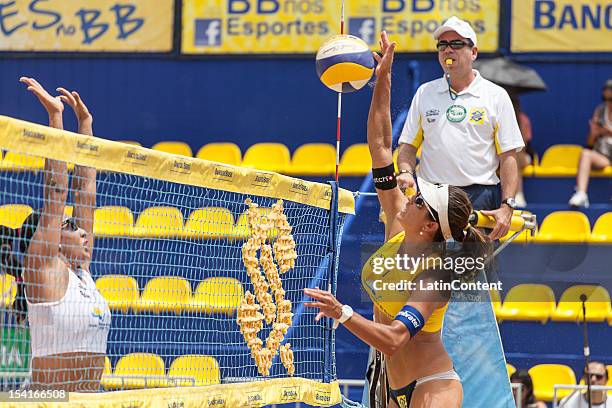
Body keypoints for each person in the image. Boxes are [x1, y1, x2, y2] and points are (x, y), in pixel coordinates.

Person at [304, 31, 491, 408]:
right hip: (389, 385)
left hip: (432, 387)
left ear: (430, 226)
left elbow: (392, 339)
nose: (409, 197)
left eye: (420, 201)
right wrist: (383, 77)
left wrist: (341, 312)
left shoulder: (435, 275)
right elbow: (380, 147)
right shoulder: (398, 223)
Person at [18, 77, 110, 391]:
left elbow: (86, 193)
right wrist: (55, 118)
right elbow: (57, 192)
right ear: (52, 237)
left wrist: (86, 124)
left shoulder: (82, 272)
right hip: (44, 402)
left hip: (88, 401)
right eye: (71, 226)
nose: (84, 233)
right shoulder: (43, 268)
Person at [396, 16, 524, 239]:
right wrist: (406, 172)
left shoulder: (496, 96)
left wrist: (507, 205)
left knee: (475, 271)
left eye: (456, 44)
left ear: (473, 52)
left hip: (479, 196)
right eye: (442, 45)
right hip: (431, 196)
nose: (448, 50)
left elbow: (509, 156)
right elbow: (407, 147)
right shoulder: (425, 93)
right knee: (430, 270)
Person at [568, 79, 612, 208]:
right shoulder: (600, 110)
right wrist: (594, 132)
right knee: (586, 154)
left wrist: (607, 131)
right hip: (604, 155)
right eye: (606, 99)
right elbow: (590, 142)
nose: (609, 103)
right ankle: (581, 193)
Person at [508, 93, 535, 208]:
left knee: (515, 155)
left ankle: (518, 193)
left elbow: (523, 145)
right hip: (499, 156)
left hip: (523, 155)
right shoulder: (496, 117)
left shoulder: (523, 120)